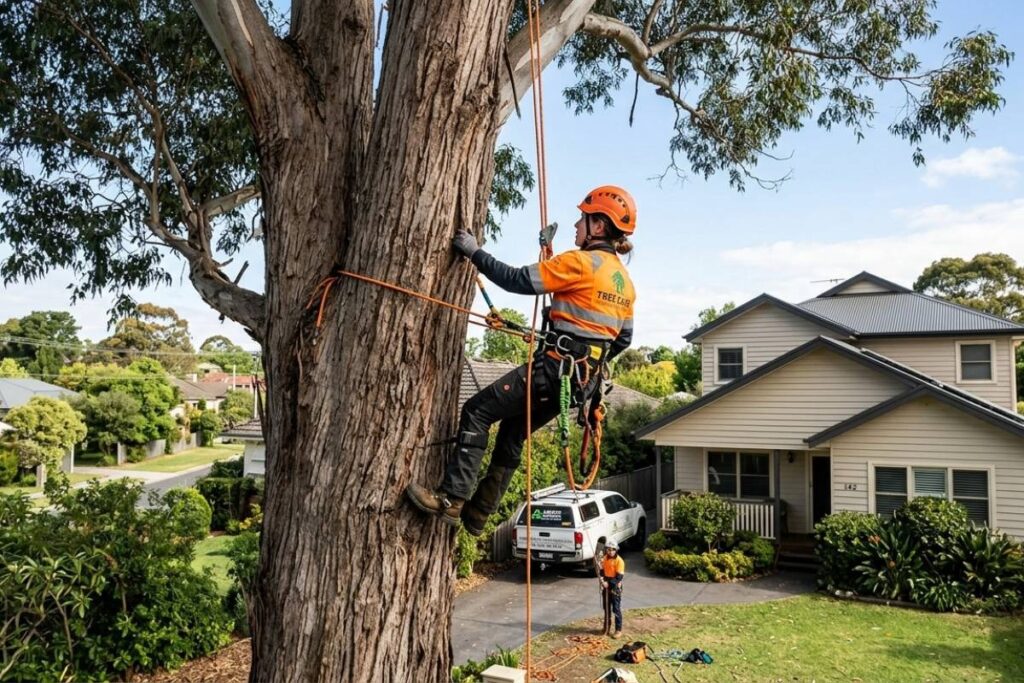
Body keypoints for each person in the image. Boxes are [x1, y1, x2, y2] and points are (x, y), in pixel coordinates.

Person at [406, 185, 638, 535]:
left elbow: (516, 280)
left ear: (599, 227)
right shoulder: (625, 285)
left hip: (553, 371)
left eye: (582, 219)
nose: (577, 224)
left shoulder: (579, 263)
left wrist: (473, 252)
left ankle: (452, 500)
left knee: (477, 411)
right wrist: (581, 345)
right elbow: (623, 339)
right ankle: (479, 513)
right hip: (577, 384)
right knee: (512, 434)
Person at [600, 539, 625, 637]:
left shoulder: (619, 561)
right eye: (609, 550)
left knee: (616, 609)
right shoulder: (604, 559)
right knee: (606, 608)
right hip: (605, 586)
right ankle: (606, 627)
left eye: (613, 550)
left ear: (616, 550)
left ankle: (618, 630)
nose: (610, 552)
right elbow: (602, 572)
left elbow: (619, 577)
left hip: (615, 587)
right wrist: (602, 580)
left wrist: (608, 584)